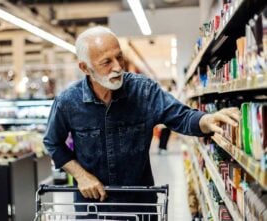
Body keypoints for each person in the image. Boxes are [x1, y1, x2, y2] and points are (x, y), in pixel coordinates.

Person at [43, 26, 240, 220]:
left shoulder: (144, 91)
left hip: (140, 206)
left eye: (119, 57)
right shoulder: (68, 102)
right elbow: (52, 142)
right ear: (85, 68)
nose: (118, 67)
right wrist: (81, 176)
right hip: (92, 207)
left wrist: (206, 119)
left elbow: (181, 116)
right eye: (106, 62)